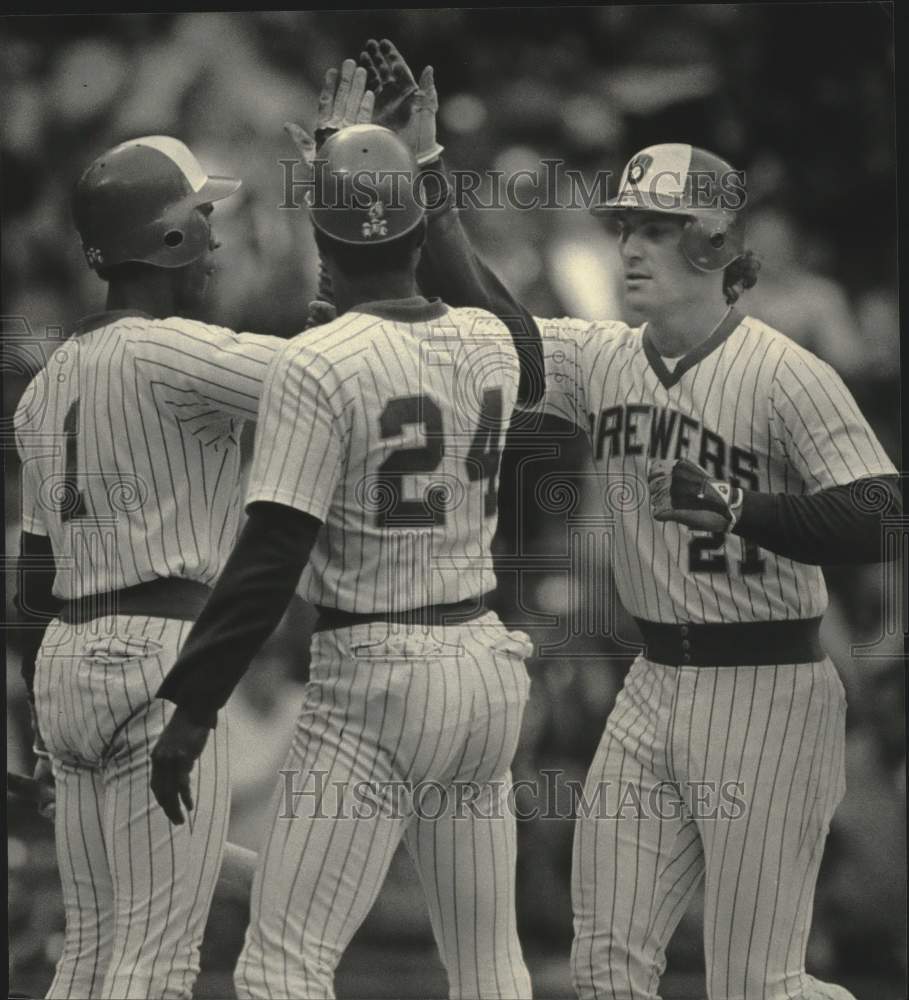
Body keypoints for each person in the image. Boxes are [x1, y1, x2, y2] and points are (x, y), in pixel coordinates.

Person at [356, 42, 902, 1000]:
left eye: (655, 227)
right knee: (606, 970)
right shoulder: (605, 356)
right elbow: (495, 322)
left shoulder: (784, 371)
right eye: (624, 227)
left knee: (756, 983)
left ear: (712, 243)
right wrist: (428, 175)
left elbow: (880, 512)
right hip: (652, 682)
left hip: (767, 685)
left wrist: (745, 508)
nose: (630, 246)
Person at [11, 64, 375, 999]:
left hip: (66, 663)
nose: (216, 241)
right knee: (156, 961)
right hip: (162, 655)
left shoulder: (48, 382)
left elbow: (29, 587)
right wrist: (350, 184)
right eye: (204, 222)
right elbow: (342, 369)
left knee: (90, 955)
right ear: (168, 236)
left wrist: (44, 729)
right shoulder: (177, 352)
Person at [149, 124, 536, 1000]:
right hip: (483, 664)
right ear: (415, 234)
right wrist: (419, 182)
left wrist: (192, 703)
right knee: (488, 965)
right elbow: (522, 340)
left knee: (283, 967)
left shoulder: (317, 359)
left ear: (324, 244)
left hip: (377, 679)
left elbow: (272, 551)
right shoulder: (486, 340)